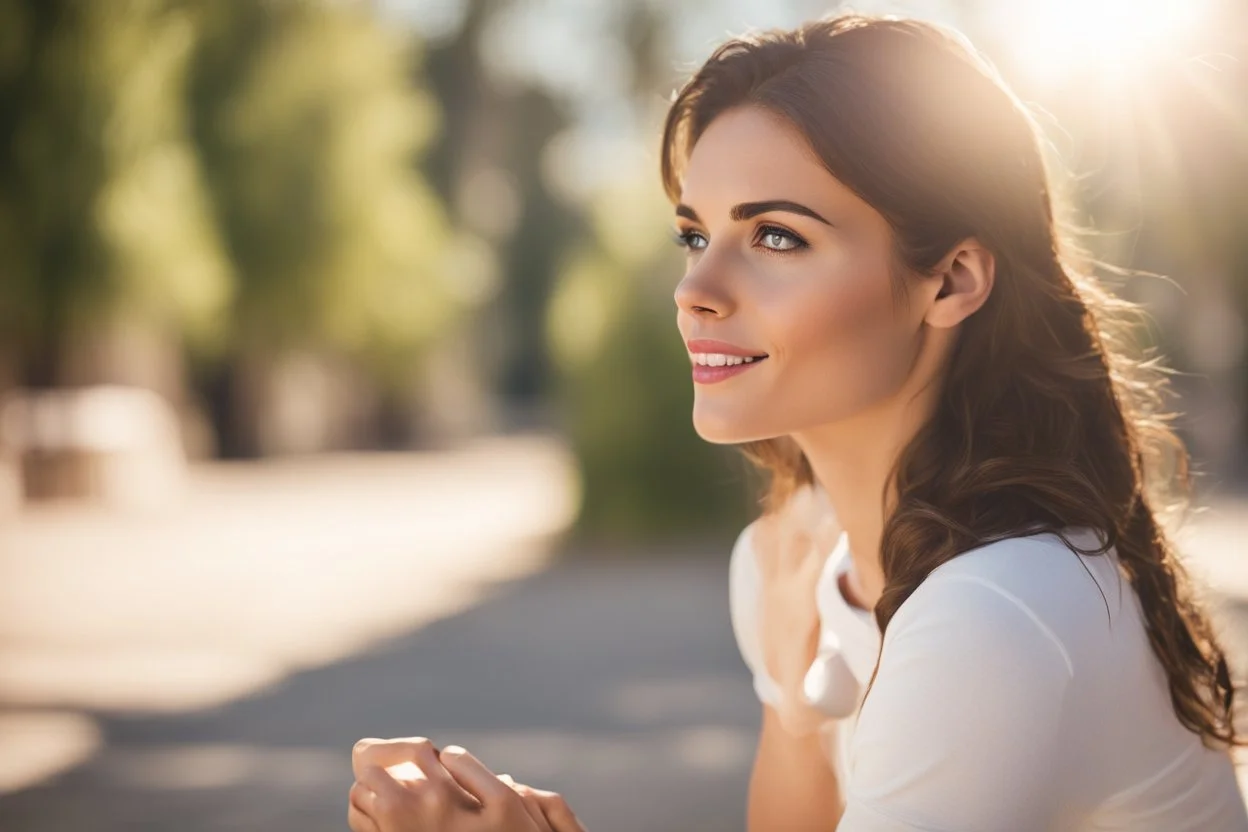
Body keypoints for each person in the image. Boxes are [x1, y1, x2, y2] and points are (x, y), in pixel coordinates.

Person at [347, 13, 1248, 831]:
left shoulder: (997, 608)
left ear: (952, 280)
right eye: (694, 235)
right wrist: (792, 705)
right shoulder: (797, 563)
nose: (695, 292)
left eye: (776, 236)